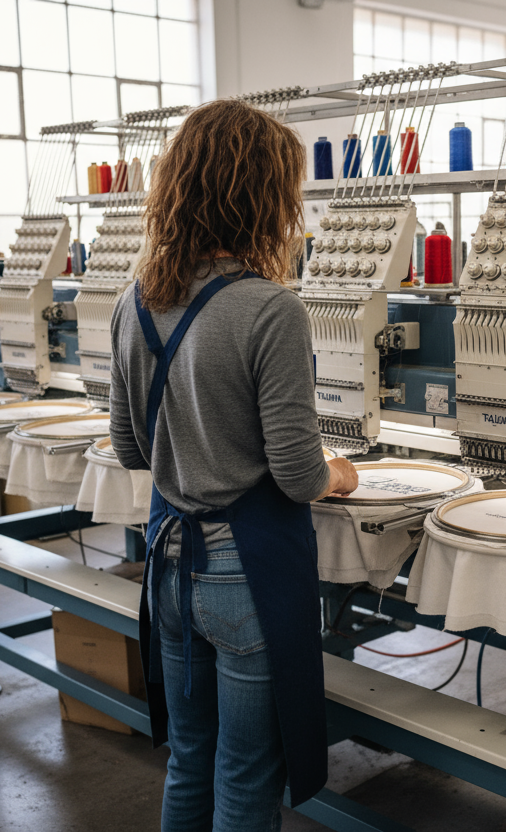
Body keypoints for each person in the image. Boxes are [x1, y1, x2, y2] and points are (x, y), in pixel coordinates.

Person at [109, 99, 359, 831]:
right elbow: (295, 474)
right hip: (242, 575)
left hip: (170, 566)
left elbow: (131, 449)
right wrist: (339, 474)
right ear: (264, 196)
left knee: (190, 757)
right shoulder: (269, 308)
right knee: (248, 777)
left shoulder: (135, 300)